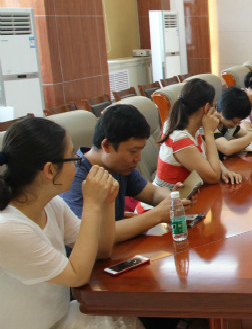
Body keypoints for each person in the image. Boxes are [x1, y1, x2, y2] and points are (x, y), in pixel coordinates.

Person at [0, 117, 220, 329]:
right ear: (49, 170)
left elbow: (101, 248)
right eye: (72, 158)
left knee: (118, 318)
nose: (80, 164)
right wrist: (92, 203)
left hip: (52, 323)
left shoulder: (50, 205)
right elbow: (77, 274)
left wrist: (104, 203)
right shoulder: (9, 228)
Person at [61, 104, 190, 243]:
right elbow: (92, 237)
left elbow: (152, 193)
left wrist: (175, 200)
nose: (138, 158)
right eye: (133, 151)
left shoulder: (119, 167)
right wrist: (156, 215)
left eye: (140, 150)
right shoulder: (75, 178)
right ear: (107, 145)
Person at [154, 78, 241, 190]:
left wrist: (224, 170)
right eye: (213, 107)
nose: (215, 112)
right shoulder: (179, 138)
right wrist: (209, 132)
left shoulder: (188, 127)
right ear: (206, 108)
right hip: (169, 198)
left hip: (187, 194)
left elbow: (208, 156)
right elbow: (213, 177)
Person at [214, 86, 252, 157]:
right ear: (224, 112)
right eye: (234, 122)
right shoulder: (211, 124)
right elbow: (227, 148)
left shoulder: (228, 122)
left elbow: (244, 134)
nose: (234, 125)